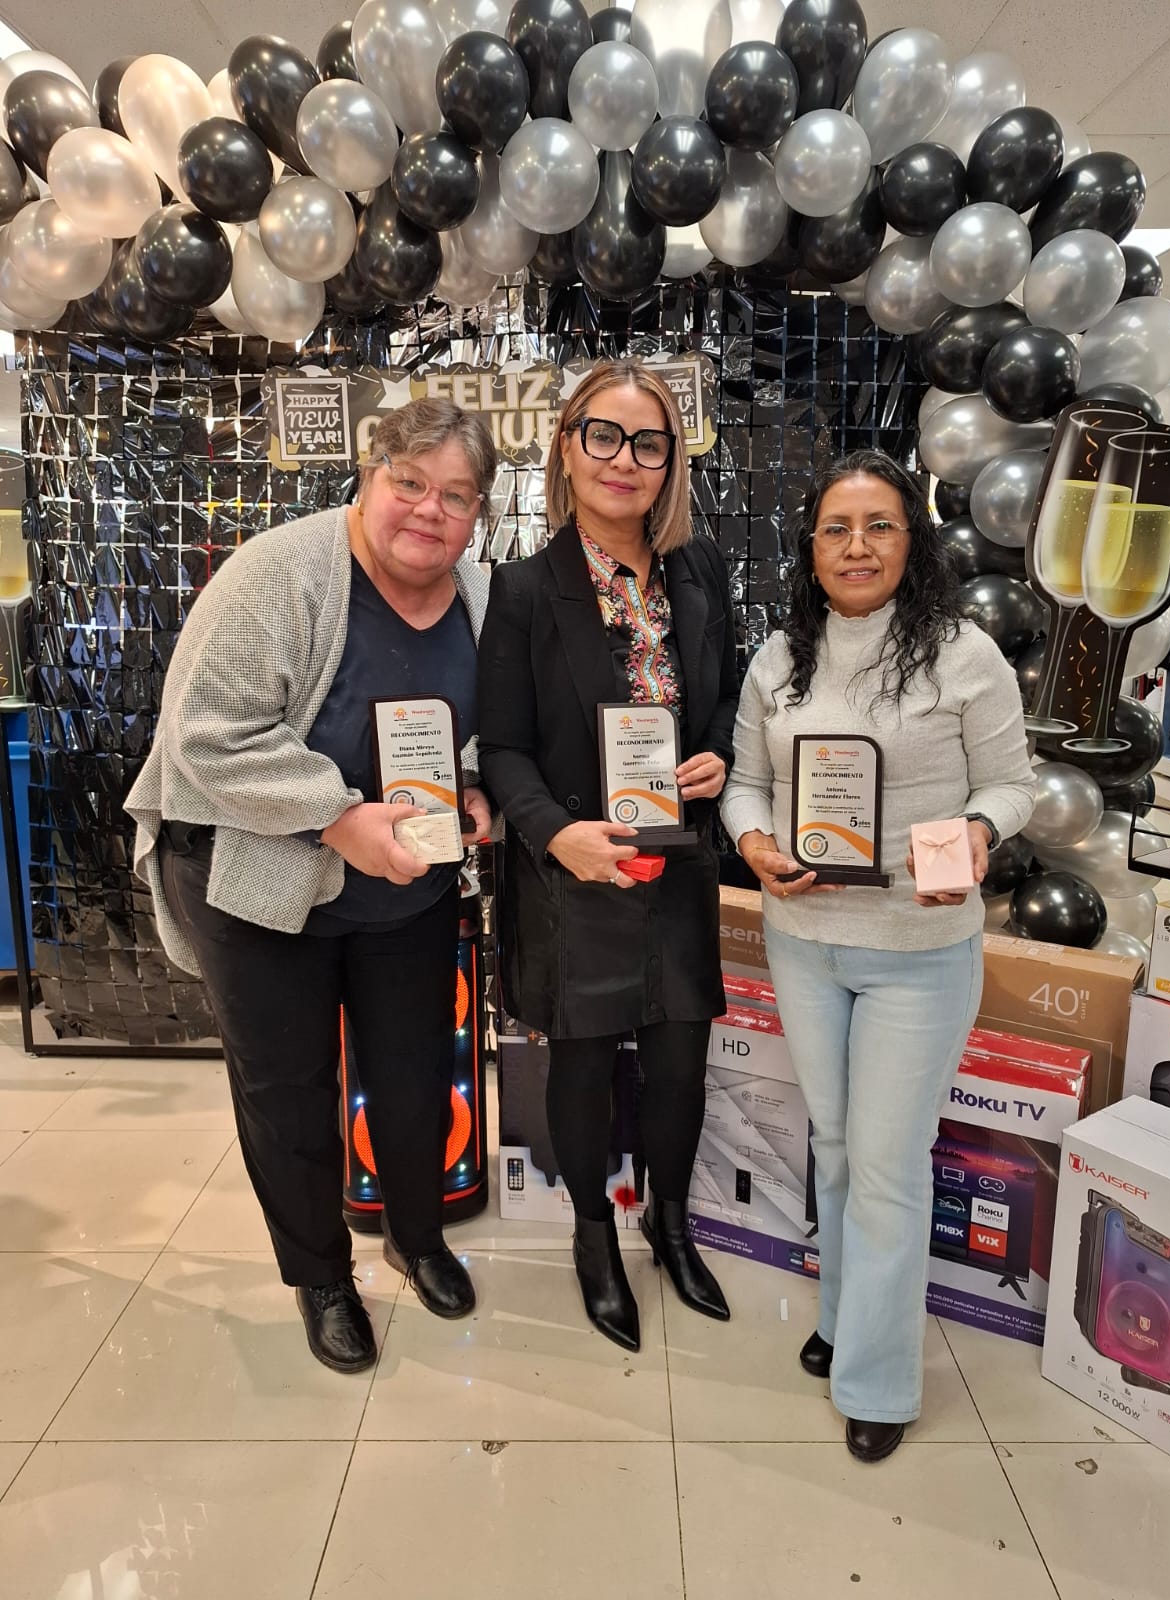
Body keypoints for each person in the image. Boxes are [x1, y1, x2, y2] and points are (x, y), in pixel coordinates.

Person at [125, 397, 496, 1375]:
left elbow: (483, 725)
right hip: (258, 879)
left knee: (414, 1072)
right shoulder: (277, 574)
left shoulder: (480, 594)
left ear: (479, 513)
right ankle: (322, 1278)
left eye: (457, 495)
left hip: (406, 883)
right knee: (286, 1090)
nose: (430, 510)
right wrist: (337, 816)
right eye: (409, 482)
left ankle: (417, 1236)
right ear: (368, 480)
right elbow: (206, 737)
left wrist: (475, 788)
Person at [721, 449, 1035, 1461]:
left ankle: (878, 1382)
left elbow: (1012, 784)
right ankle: (845, 1316)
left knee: (890, 1165)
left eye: (880, 526)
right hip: (805, 943)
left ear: (913, 540)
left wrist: (978, 833)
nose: (857, 547)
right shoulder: (780, 660)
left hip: (919, 951)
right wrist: (754, 842)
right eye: (836, 529)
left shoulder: (963, 654)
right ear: (811, 549)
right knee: (836, 1145)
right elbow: (744, 783)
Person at [477, 359, 740, 1353]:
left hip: (678, 860)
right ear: (567, 446)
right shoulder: (523, 588)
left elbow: (727, 694)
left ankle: (670, 1225)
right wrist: (555, 834)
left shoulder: (699, 570)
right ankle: (595, 1236)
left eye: (648, 443)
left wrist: (719, 752)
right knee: (583, 1067)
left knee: (680, 1064)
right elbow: (502, 746)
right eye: (604, 435)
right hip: (575, 870)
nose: (624, 460)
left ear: (671, 462)